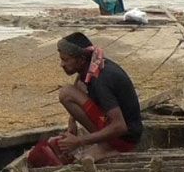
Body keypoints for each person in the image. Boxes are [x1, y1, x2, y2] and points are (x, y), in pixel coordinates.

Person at [52, 31, 142, 162]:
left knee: (66, 93)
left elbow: (120, 126)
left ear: (81, 60)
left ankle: (108, 147)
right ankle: (103, 143)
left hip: (124, 138)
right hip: (118, 130)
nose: (62, 64)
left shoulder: (101, 79)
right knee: (70, 90)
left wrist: (79, 141)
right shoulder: (91, 65)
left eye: (65, 60)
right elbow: (79, 84)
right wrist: (72, 121)